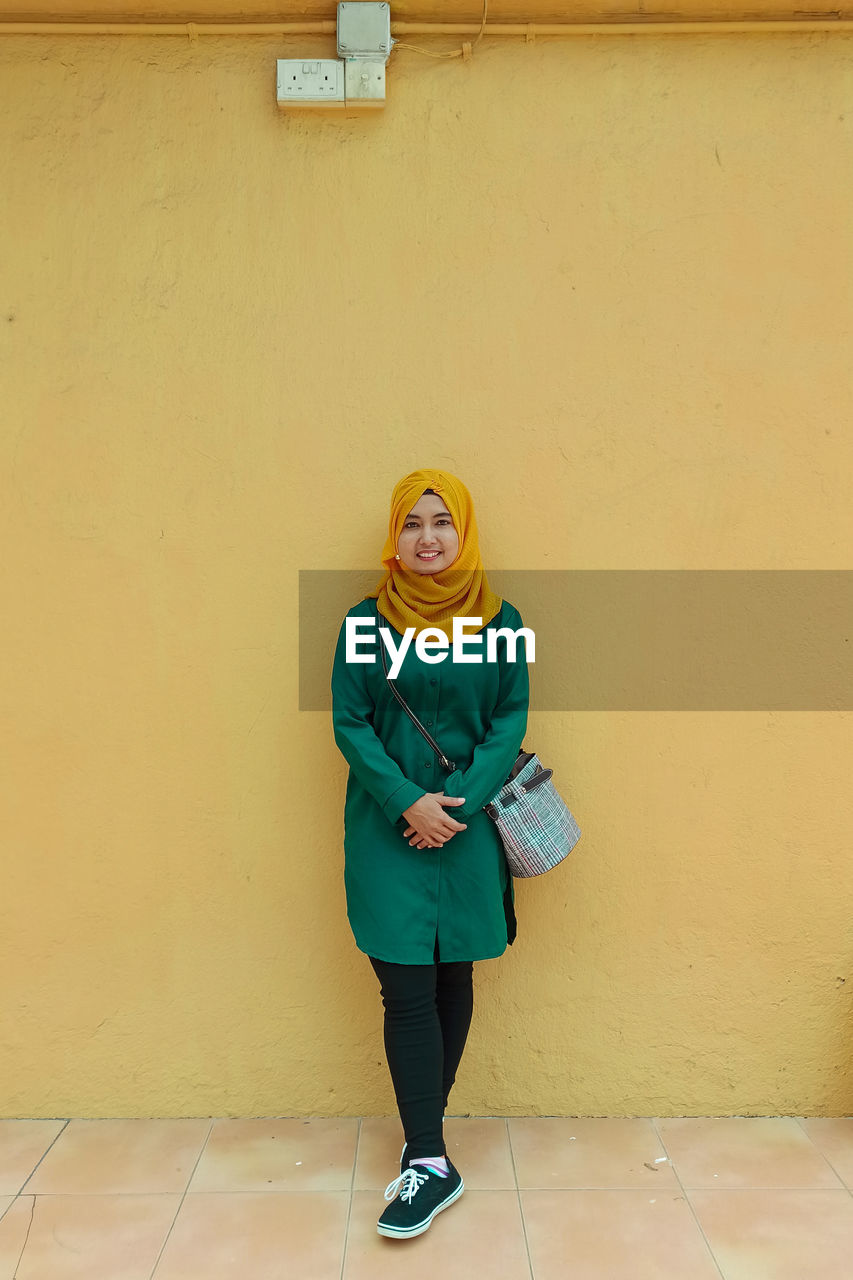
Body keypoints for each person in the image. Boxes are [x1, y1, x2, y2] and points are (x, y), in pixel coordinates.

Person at [330, 468, 530, 1239]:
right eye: (410, 523)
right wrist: (406, 802)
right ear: (394, 536)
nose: (427, 537)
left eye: (441, 521)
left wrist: (459, 803)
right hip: (388, 827)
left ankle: (426, 1149)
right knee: (405, 985)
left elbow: (507, 720)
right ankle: (430, 1156)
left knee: (454, 974)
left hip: (467, 825)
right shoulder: (363, 623)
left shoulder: (503, 620)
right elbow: (351, 724)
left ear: (464, 531)